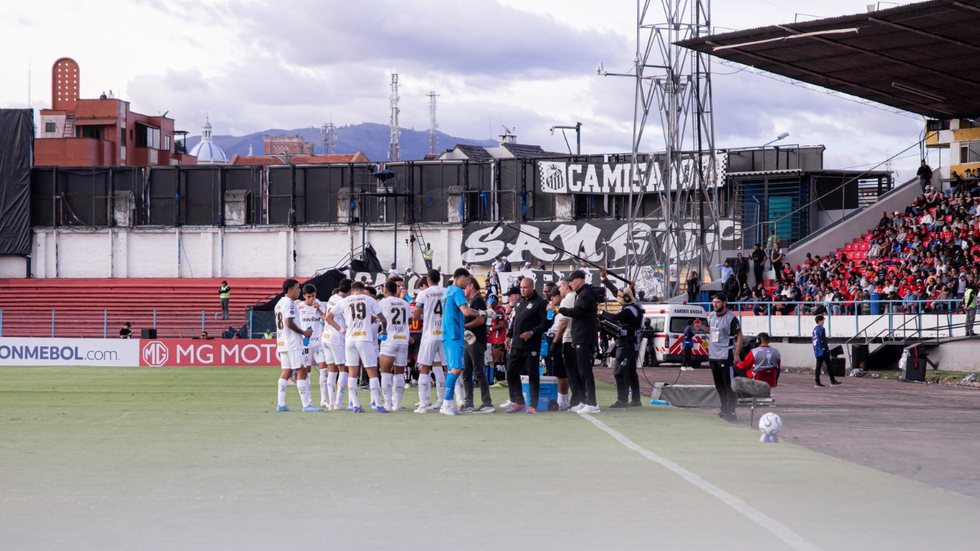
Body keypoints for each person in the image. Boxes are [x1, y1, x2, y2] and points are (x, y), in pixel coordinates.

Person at [326, 281, 386, 413]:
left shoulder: (345, 301)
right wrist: (384, 330)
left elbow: (328, 317)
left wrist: (341, 329)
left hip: (350, 340)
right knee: (372, 371)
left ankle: (355, 405)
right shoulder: (369, 299)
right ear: (363, 290)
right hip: (364, 338)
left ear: (352, 290)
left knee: (352, 373)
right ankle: (378, 404)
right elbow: (382, 319)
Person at [439, 268, 488, 416]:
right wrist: (482, 312)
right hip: (454, 334)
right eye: (467, 280)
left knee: (453, 369)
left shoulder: (447, 291)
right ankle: (446, 403)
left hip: (449, 333)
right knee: (456, 369)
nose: (468, 283)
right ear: (461, 277)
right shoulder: (457, 291)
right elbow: (466, 311)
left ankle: (449, 404)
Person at [504, 275, 552, 413]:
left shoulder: (541, 303)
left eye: (525, 287)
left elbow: (546, 323)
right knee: (511, 372)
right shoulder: (520, 301)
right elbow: (516, 320)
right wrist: (508, 335)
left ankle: (533, 405)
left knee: (533, 375)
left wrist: (532, 332)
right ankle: (518, 401)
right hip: (516, 345)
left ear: (532, 287)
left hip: (531, 346)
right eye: (521, 287)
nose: (522, 290)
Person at [274, 279, 323, 413]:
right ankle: (306, 405)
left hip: (282, 341)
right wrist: (303, 332)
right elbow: (288, 322)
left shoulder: (279, 303)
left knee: (286, 371)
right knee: (301, 370)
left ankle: (281, 404)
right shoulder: (289, 303)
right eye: (297, 288)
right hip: (293, 342)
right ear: (290, 290)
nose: (299, 290)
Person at [558, 270, 601, 414]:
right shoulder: (582, 294)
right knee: (581, 371)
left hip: (584, 337)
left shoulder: (585, 294)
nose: (570, 284)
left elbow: (576, 312)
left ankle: (592, 403)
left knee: (585, 371)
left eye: (571, 281)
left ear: (579, 280)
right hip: (580, 337)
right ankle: (584, 401)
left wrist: (559, 309)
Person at [600, 286, 645, 408]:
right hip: (632, 345)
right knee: (631, 372)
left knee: (619, 372)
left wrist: (601, 313)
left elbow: (615, 318)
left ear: (626, 298)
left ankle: (622, 400)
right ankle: (636, 400)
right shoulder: (636, 308)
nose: (618, 300)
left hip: (626, 345)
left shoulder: (628, 311)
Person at [411, 269, 446, 413]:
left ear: (428, 280)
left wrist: (422, 314)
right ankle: (448, 400)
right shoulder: (446, 292)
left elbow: (415, 316)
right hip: (444, 334)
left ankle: (423, 404)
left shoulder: (423, 293)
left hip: (430, 334)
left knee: (424, 368)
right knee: (447, 367)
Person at [707, 293, 743, 422]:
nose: (714, 304)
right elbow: (712, 331)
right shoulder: (711, 316)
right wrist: (700, 328)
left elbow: (740, 336)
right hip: (713, 356)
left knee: (728, 385)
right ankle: (724, 409)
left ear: (724, 303)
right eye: (713, 302)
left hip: (725, 355)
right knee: (719, 386)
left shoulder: (731, 318)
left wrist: (736, 353)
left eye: (717, 302)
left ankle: (731, 411)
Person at [462, 278, 495, 413]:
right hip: (468, 339)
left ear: (471, 286)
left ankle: (487, 403)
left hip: (476, 340)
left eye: (465, 287)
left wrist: (464, 327)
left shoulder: (478, 300)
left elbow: (480, 320)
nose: (463, 290)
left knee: (478, 371)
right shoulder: (470, 300)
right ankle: (469, 403)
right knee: (466, 372)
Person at [378, 281, 410, 411]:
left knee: (385, 372)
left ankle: (387, 403)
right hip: (403, 339)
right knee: (399, 373)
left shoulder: (382, 303)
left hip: (389, 339)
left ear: (385, 290)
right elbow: (409, 320)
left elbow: (375, 318)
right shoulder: (405, 303)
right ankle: (397, 404)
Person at [296, 284, 328, 408]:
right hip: (306, 344)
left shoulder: (320, 305)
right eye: (309, 297)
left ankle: (324, 399)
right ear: (304, 296)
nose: (311, 299)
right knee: (306, 372)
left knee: (324, 370)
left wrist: (319, 310)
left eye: (313, 296)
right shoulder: (299, 307)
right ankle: (309, 400)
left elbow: (326, 319)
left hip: (319, 342)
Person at [323, 280, 352, 410]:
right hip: (336, 337)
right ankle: (338, 403)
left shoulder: (332, 297)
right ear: (350, 290)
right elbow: (331, 317)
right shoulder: (344, 302)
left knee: (332, 370)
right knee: (343, 369)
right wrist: (341, 329)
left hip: (326, 335)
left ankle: (332, 402)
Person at [812, 315, 840, 387]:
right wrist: (826, 349)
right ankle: (832, 381)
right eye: (823, 320)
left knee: (819, 366)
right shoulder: (822, 329)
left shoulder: (815, 329)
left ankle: (818, 381)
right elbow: (823, 340)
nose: (823, 322)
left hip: (817, 350)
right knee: (828, 365)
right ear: (819, 321)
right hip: (823, 350)